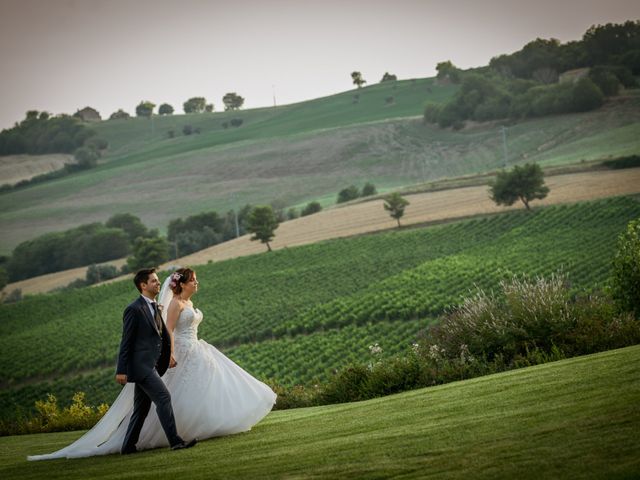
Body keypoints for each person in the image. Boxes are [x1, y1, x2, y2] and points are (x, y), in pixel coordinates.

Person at [28, 267, 276, 460]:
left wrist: (166, 354)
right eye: (154, 281)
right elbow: (127, 342)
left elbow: (162, 334)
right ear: (142, 285)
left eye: (160, 280)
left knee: (141, 408)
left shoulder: (157, 306)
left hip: (153, 363)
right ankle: (175, 441)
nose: (160, 283)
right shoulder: (133, 309)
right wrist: (122, 370)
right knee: (164, 398)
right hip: (140, 366)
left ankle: (127, 446)